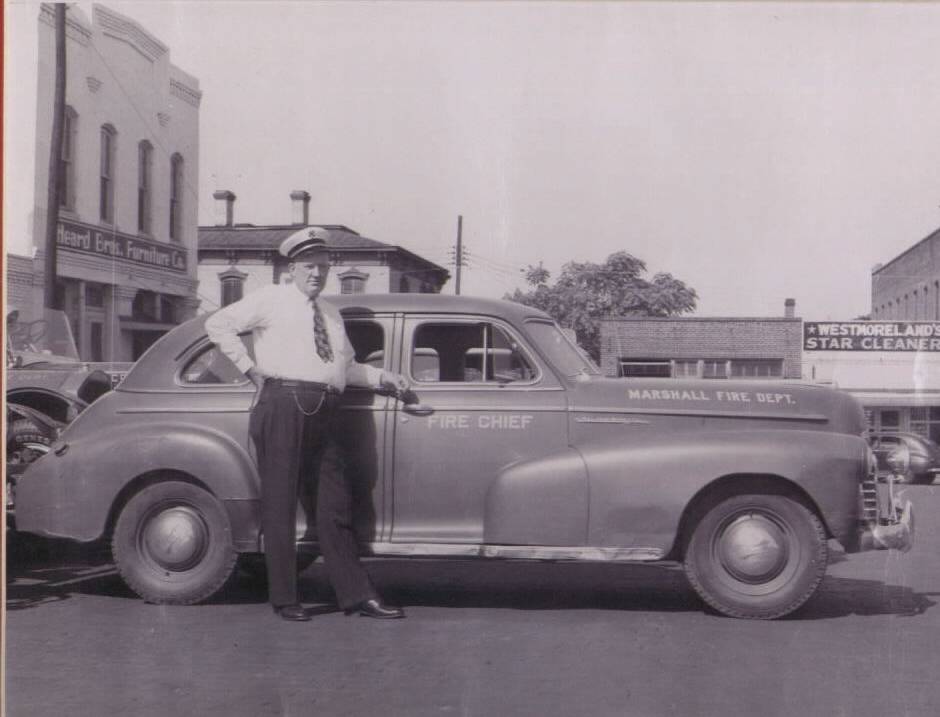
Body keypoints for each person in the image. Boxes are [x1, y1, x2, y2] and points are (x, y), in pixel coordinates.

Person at [205, 227, 408, 622]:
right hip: (283, 404)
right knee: (280, 504)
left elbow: (346, 367)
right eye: (309, 266)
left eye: (323, 267)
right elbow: (218, 325)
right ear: (292, 268)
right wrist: (250, 369)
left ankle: (357, 595)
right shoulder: (271, 299)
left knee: (335, 505)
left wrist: (385, 378)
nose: (317, 274)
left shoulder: (330, 314)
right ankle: (285, 599)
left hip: (325, 410)